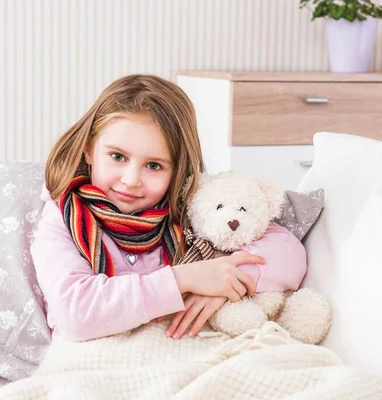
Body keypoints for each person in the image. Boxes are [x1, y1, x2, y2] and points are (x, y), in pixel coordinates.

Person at [31, 74, 306, 342]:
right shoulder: (63, 216)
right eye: (117, 156)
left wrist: (227, 281)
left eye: (154, 165)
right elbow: (76, 313)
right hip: (92, 362)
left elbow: (290, 253)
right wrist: (184, 279)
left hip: (177, 353)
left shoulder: (190, 207)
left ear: (177, 170)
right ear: (89, 149)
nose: (131, 180)